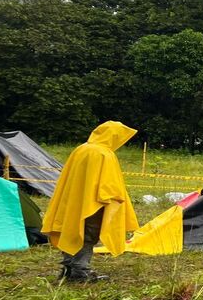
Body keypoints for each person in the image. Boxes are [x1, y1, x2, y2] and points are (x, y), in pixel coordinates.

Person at [42, 121, 139, 283]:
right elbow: (109, 186)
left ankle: (69, 268)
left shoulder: (81, 149)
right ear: (113, 137)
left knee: (71, 230)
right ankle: (80, 272)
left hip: (73, 200)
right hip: (94, 203)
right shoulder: (104, 154)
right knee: (87, 235)